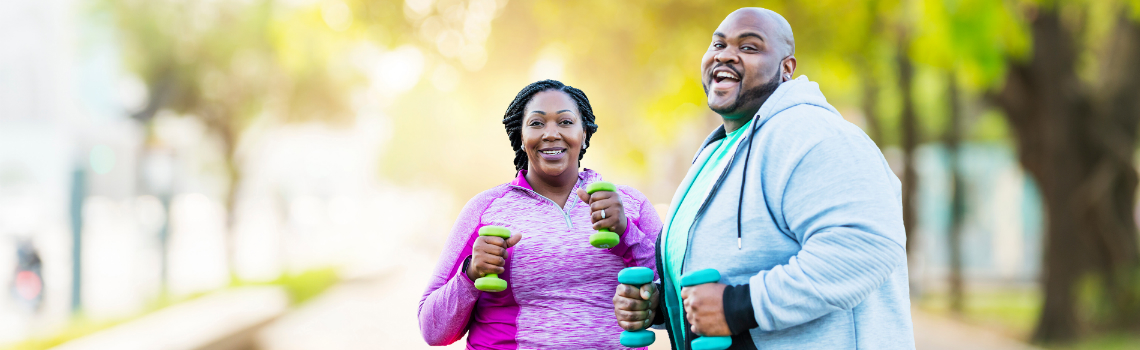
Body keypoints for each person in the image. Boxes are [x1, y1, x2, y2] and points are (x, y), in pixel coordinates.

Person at [612, 7, 915, 350]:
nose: (726, 55)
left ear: (786, 69)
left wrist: (738, 307)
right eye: (718, 45)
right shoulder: (719, 151)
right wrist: (661, 305)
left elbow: (864, 248)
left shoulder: (817, 137)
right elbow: (730, 269)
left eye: (750, 47)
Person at [419, 79, 662, 349]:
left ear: (584, 134)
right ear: (521, 138)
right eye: (536, 123)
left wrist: (627, 232)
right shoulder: (485, 209)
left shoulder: (630, 204)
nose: (550, 133)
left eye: (566, 122)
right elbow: (432, 330)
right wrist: (471, 274)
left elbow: (674, 298)